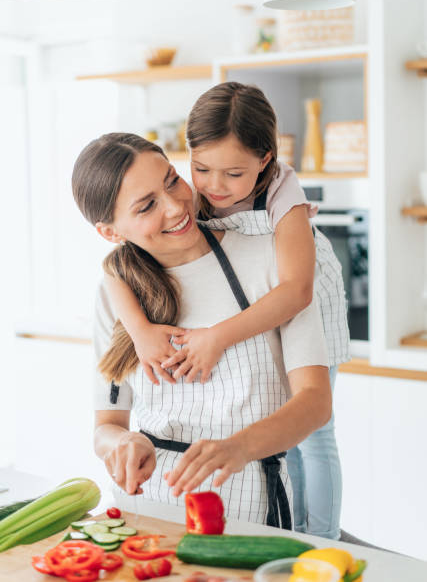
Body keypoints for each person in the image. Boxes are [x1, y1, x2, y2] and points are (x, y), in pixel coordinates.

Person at [102, 83, 349, 540]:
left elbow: (296, 290)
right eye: (198, 169)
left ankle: (321, 534)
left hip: (306, 286)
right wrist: (138, 330)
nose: (212, 187)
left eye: (233, 174)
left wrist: (218, 336)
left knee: (313, 437)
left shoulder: (284, 201)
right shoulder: (180, 210)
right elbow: (114, 271)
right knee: (283, 443)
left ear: (266, 160)